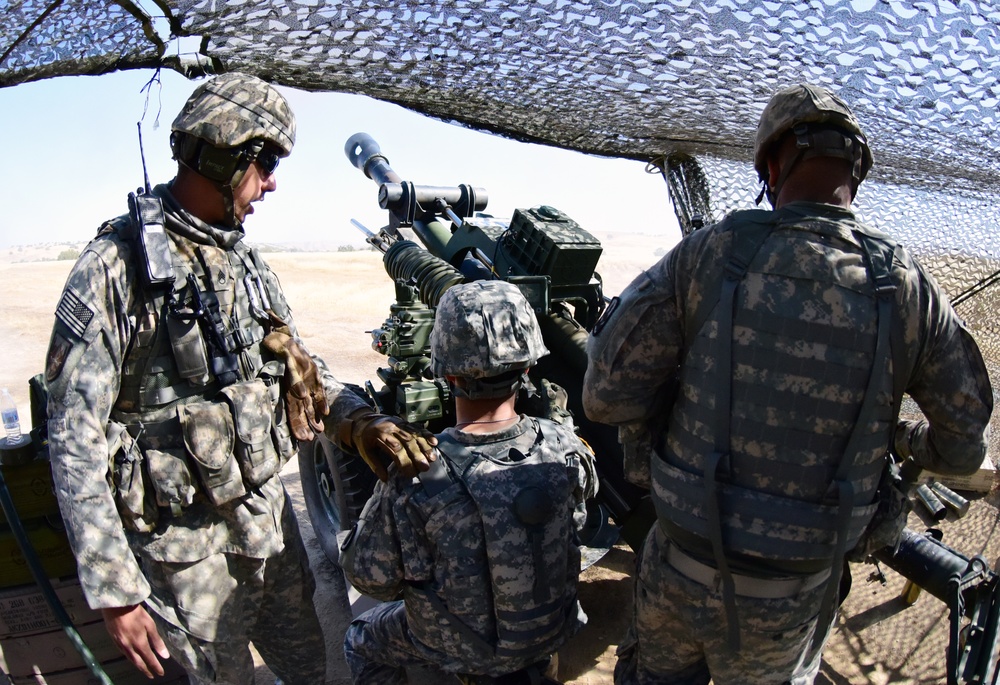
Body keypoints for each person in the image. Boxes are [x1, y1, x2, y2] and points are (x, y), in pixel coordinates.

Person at [583, 82, 994, 685]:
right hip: (796, 596)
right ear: (856, 169)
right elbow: (963, 445)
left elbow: (604, 396)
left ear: (772, 164)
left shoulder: (712, 252)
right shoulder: (906, 288)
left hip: (680, 567)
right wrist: (903, 443)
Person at [43, 72, 436, 684]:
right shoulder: (113, 271)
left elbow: (298, 367)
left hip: (267, 530)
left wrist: (359, 423)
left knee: (307, 668)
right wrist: (116, 589)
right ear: (222, 155)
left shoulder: (244, 262)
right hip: (184, 557)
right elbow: (74, 439)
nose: (272, 183)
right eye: (265, 163)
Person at [340, 280, 599, 685]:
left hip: (459, 648)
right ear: (528, 366)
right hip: (549, 632)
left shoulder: (416, 470)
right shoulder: (565, 445)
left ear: (446, 372)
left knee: (359, 639)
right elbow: (578, 525)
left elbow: (371, 579)